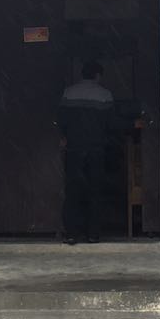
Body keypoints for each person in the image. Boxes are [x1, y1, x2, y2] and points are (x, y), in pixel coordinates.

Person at [58, 61, 114, 244]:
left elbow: (62, 120)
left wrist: (66, 136)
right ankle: (93, 234)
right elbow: (111, 124)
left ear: (81, 75)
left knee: (73, 190)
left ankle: (72, 233)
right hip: (96, 149)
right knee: (95, 191)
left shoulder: (69, 93)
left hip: (74, 148)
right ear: (98, 76)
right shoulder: (105, 95)